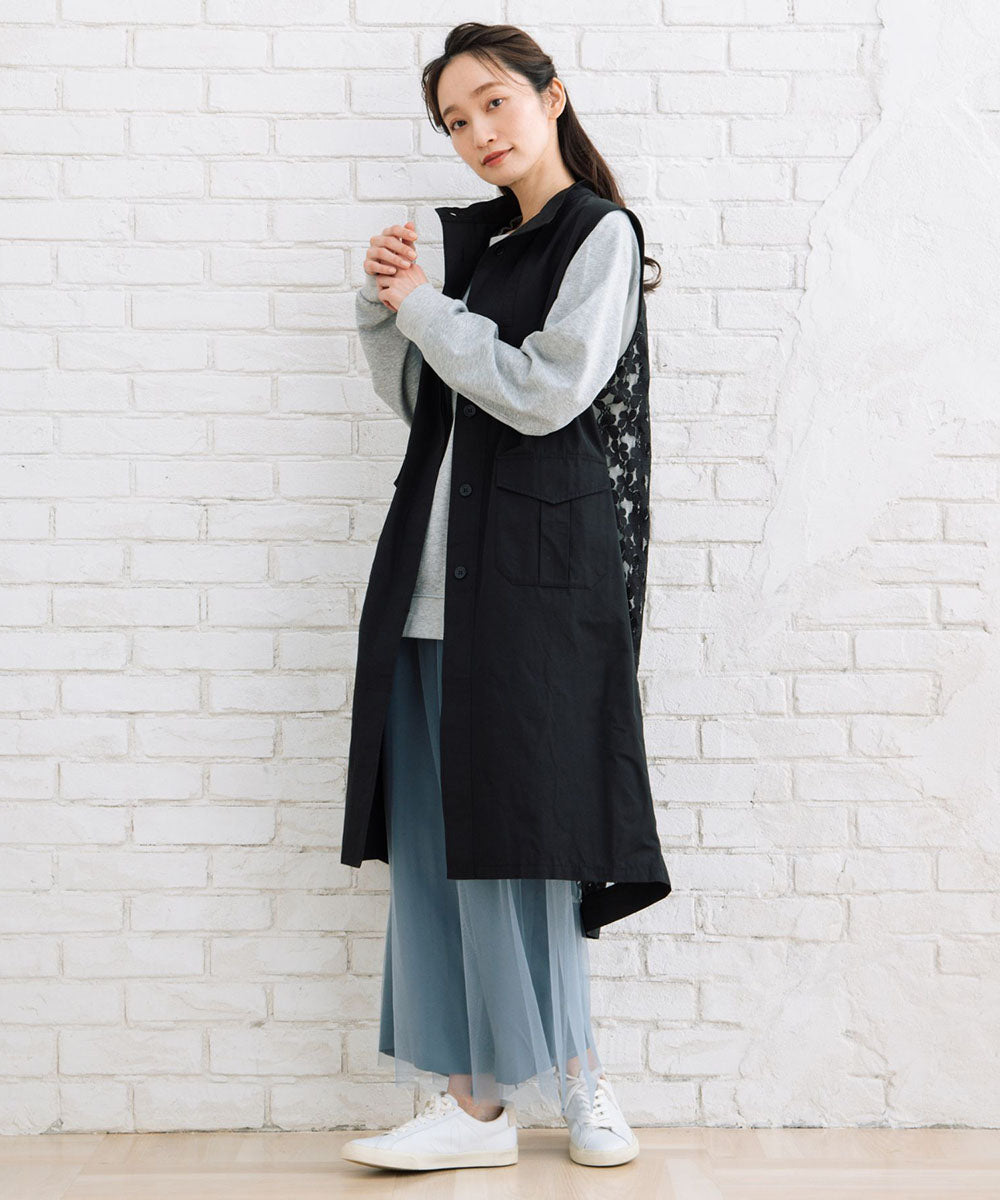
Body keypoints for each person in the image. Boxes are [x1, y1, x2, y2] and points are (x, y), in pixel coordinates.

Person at [340, 21, 668, 1173]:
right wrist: (386, 303)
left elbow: (543, 392)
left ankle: (577, 1079)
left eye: (493, 102)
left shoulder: (600, 234)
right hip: (430, 585)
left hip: (527, 594)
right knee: (439, 856)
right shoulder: (477, 245)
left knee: (527, 845)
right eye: (454, 120)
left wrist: (426, 306)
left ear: (550, 95)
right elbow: (431, 399)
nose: (477, 131)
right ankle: (470, 1105)